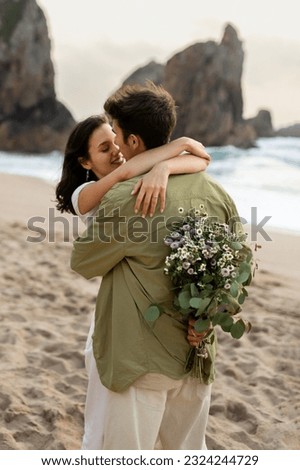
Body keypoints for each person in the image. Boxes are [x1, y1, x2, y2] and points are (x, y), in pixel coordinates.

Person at [70, 82, 249, 450]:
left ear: (134, 141)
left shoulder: (127, 197)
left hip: (139, 362)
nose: (116, 146)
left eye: (117, 134)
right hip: (195, 356)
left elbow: (84, 260)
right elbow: (239, 268)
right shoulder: (218, 193)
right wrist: (207, 317)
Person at [56, 113, 211, 449]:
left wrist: (165, 167)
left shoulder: (136, 178)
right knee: (103, 430)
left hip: (146, 317)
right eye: (103, 148)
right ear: (85, 161)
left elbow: (201, 161)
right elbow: (128, 171)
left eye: (115, 141)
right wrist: (178, 148)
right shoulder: (86, 194)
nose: (115, 151)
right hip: (117, 321)